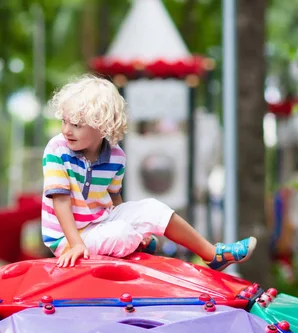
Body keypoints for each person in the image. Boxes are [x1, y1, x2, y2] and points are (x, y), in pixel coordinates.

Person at [41, 74, 257, 269]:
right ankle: (138, 241)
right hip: (68, 238)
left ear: (102, 127)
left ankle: (212, 254)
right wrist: (76, 245)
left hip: (100, 224)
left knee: (154, 208)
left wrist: (128, 219)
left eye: (77, 125)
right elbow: (61, 201)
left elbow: (115, 198)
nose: (67, 130)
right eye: (64, 121)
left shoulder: (116, 157)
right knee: (122, 234)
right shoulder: (57, 149)